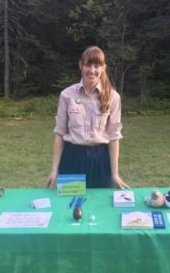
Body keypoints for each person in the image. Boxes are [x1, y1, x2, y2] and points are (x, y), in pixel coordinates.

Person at [46, 46, 129, 189]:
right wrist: (54, 170)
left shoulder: (113, 97)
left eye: (97, 66)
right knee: (69, 206)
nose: (92, 70)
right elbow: (59, 134)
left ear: (103, 68)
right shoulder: (67, 95)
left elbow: (114, 138)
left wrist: (115, 174)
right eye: (88, 65)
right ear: (81, 65)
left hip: (101, 161)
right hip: (72, 159)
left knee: (101, 206)